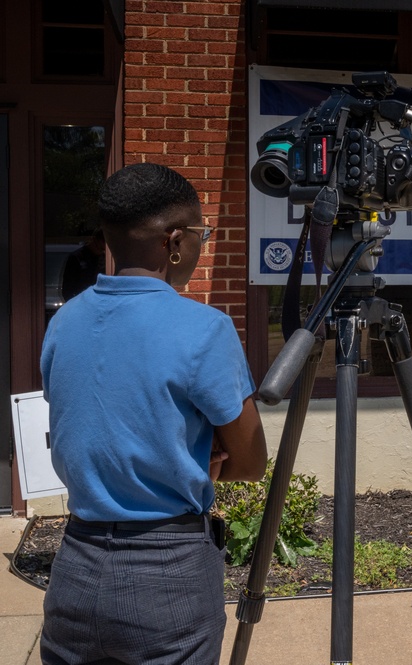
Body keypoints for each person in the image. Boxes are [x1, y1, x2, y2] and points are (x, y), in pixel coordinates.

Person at [39, 162, 268, 664]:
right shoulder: (205, 328)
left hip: (74, 567)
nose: (203, 245)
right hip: (169, 573)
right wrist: (195, 457)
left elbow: (87, 426)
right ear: (176, 240)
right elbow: (251, 463)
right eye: (203, 234)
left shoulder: (64, 323)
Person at [60, 227, 106, 301]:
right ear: (94, 240)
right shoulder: (76, 258)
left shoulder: (105, 259)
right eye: (101, 248)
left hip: (100, 301)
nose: (102, 251)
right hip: (81, 301)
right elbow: (68, 289)